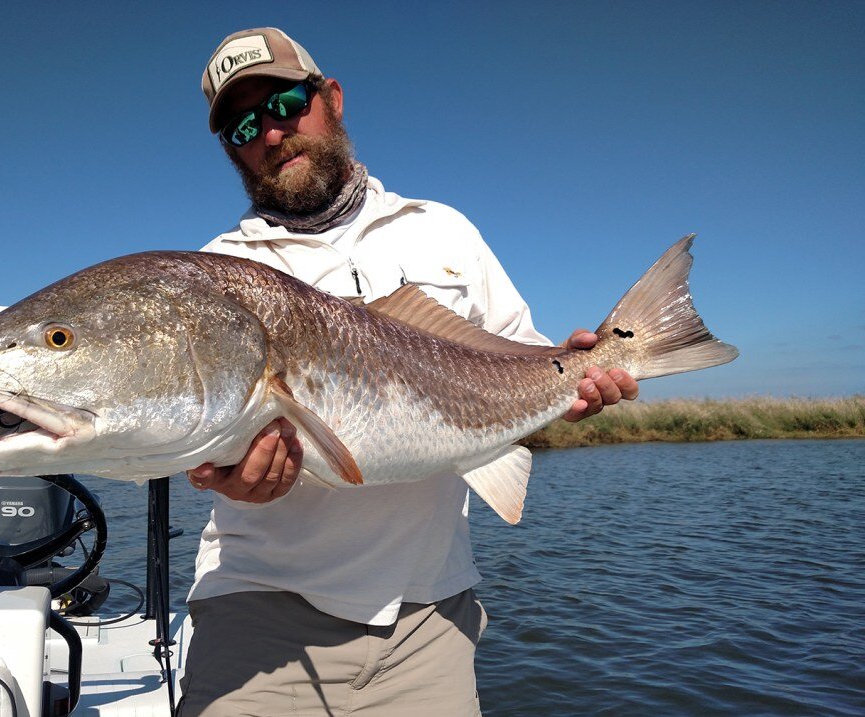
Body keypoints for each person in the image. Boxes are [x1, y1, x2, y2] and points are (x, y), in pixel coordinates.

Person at [177, 27, 638, 716]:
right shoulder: (216, 274)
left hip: (430, 621)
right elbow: (194, 434)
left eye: (285, 104)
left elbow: (522, 357)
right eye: (243, 125)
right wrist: (223, 476)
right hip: (258, 612)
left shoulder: (443, 231)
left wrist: (576, 380)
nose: (270, 134)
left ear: (330, 98)